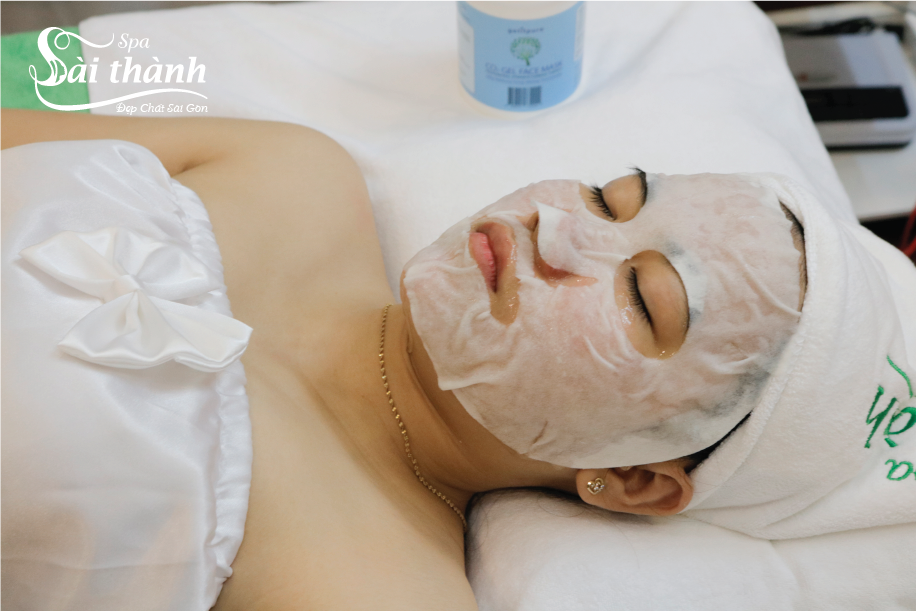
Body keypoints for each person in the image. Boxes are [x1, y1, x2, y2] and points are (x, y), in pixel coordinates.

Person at [0, 109, 810, 610]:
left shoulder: (371, 591)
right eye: (608, 200)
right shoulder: (299, 170)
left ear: (634, 480)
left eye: (640, 296)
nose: (557, 229)